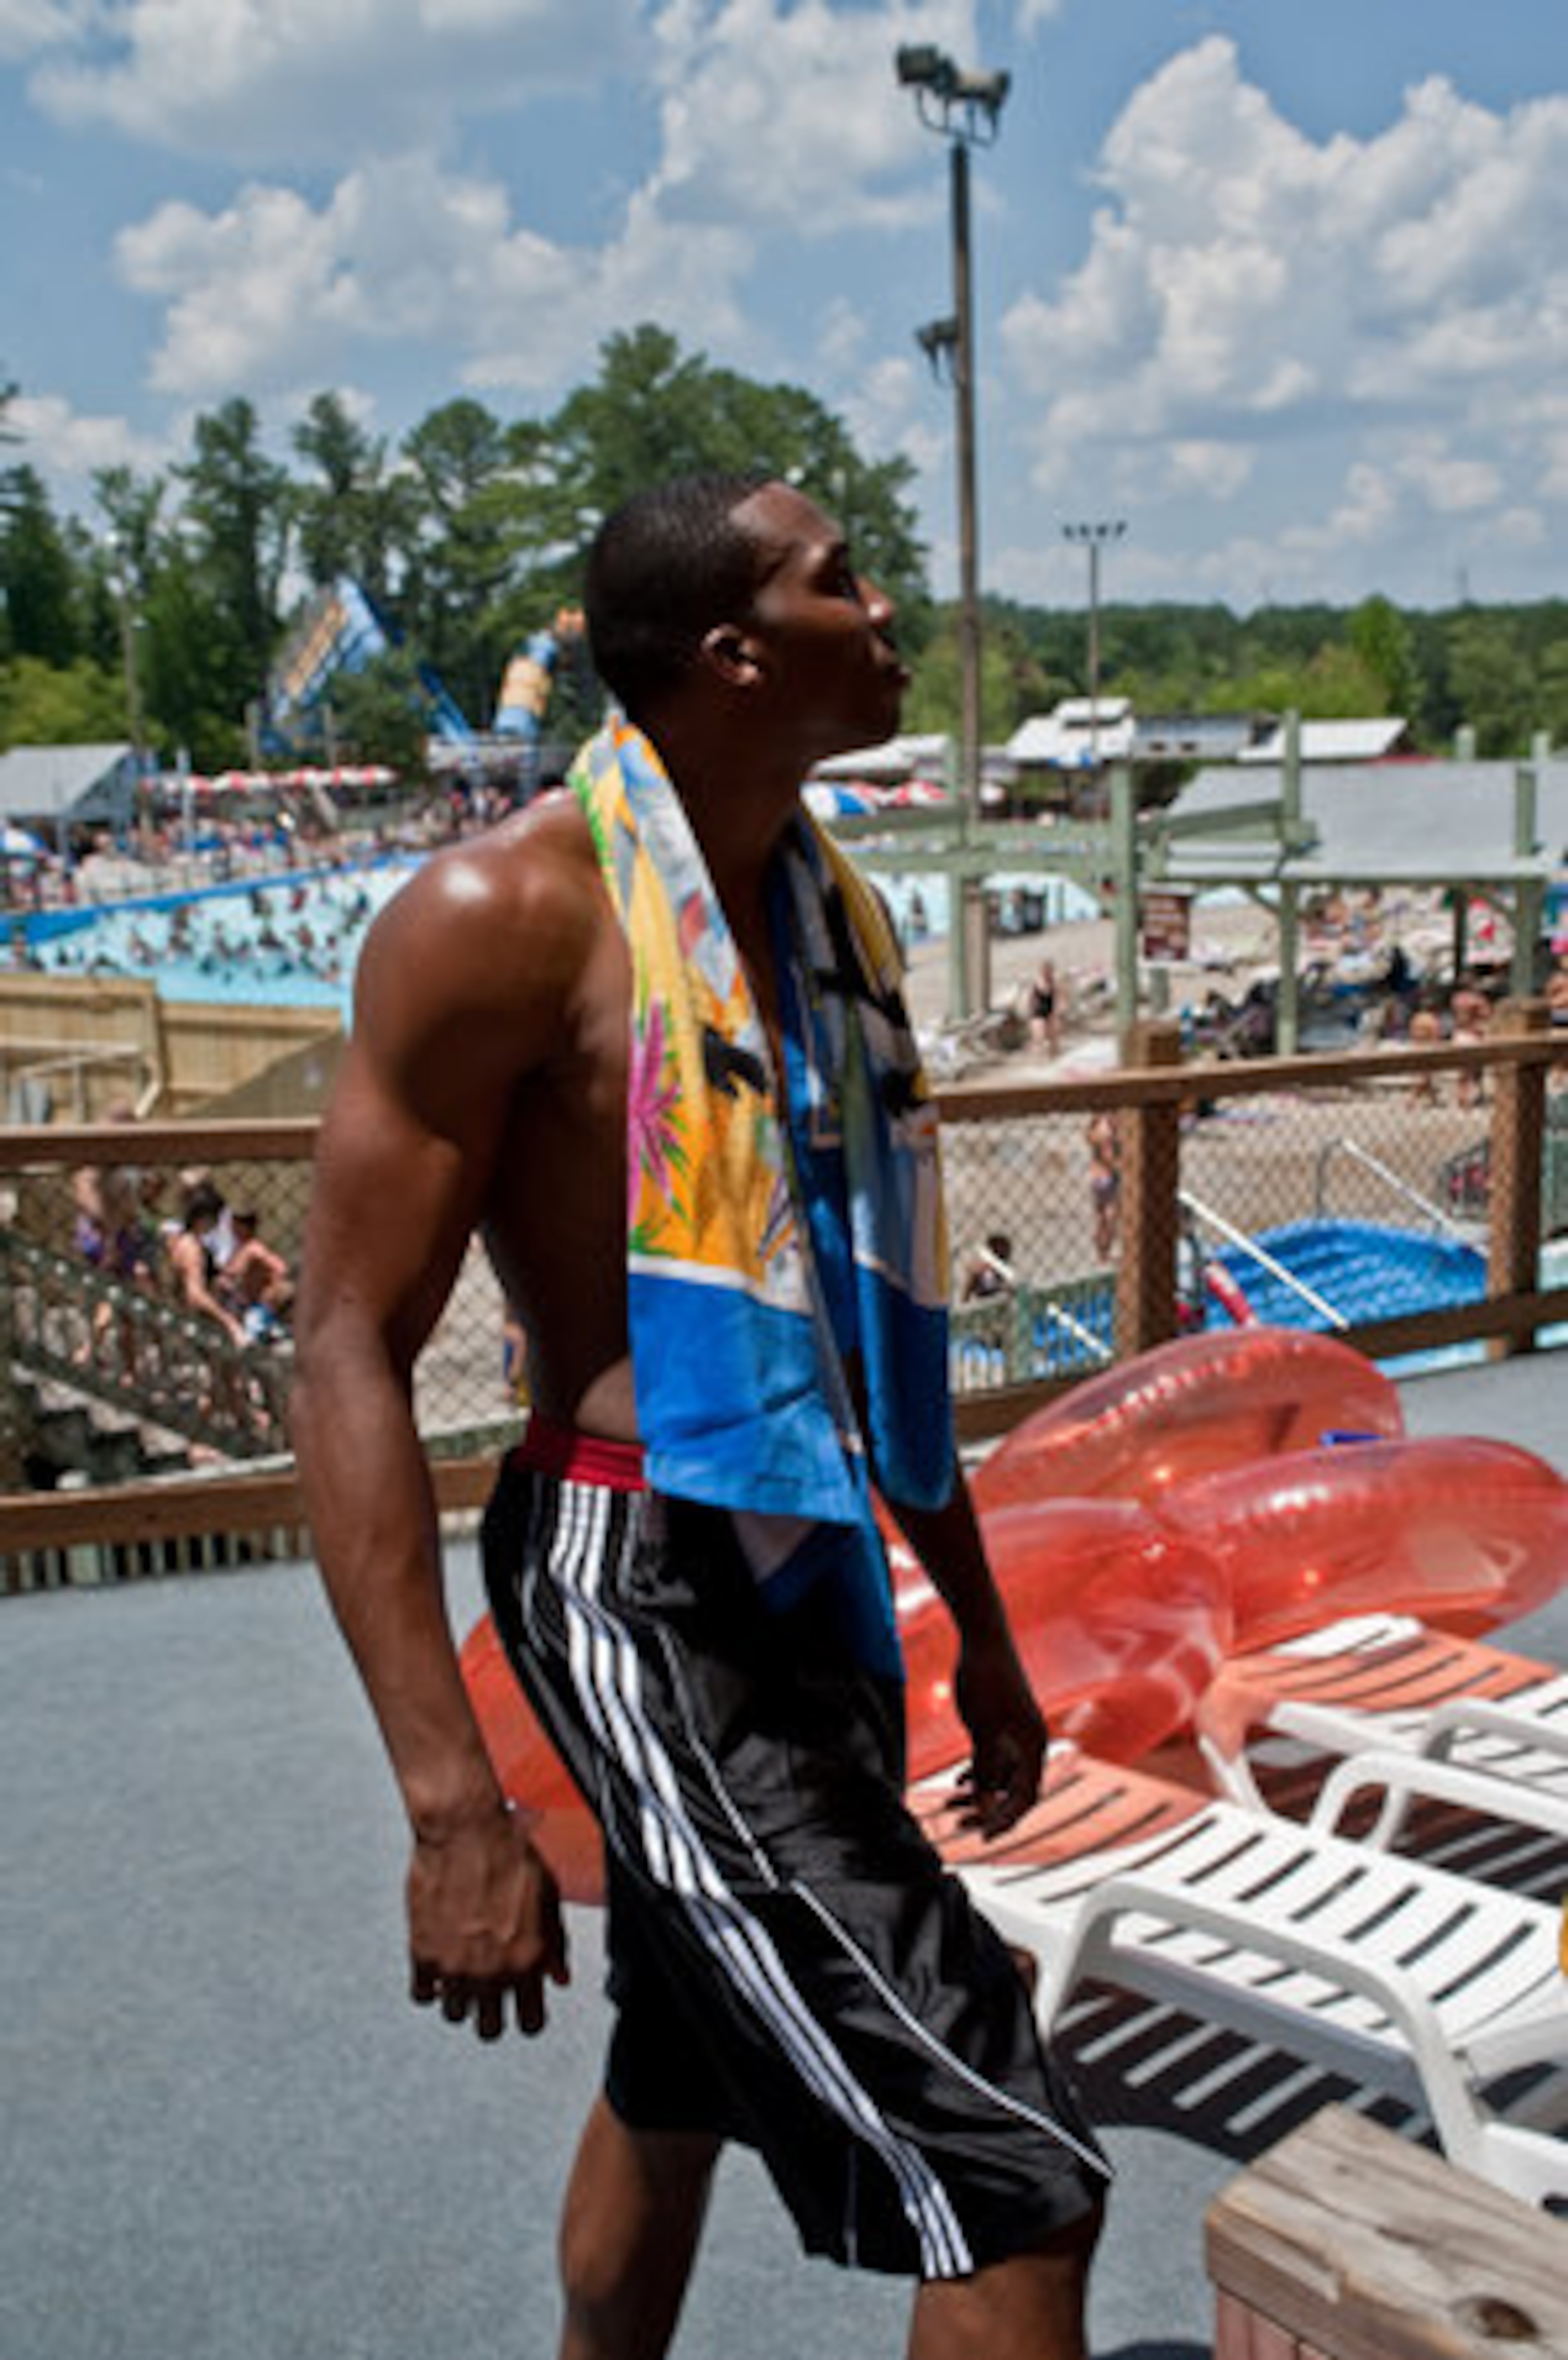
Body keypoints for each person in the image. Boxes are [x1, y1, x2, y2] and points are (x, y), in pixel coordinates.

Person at [292, 471, 1107, 2360]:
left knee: (684, 2060)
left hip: (801, 1548)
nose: (892, 608)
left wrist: (976, 1627)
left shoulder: (823, 916)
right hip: (638, 1571)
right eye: (847, 581)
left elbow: (856, 1314)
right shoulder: (503, 916)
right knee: (1018, 2172)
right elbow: (342, 1340)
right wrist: (448, 1805)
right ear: (737, 653)